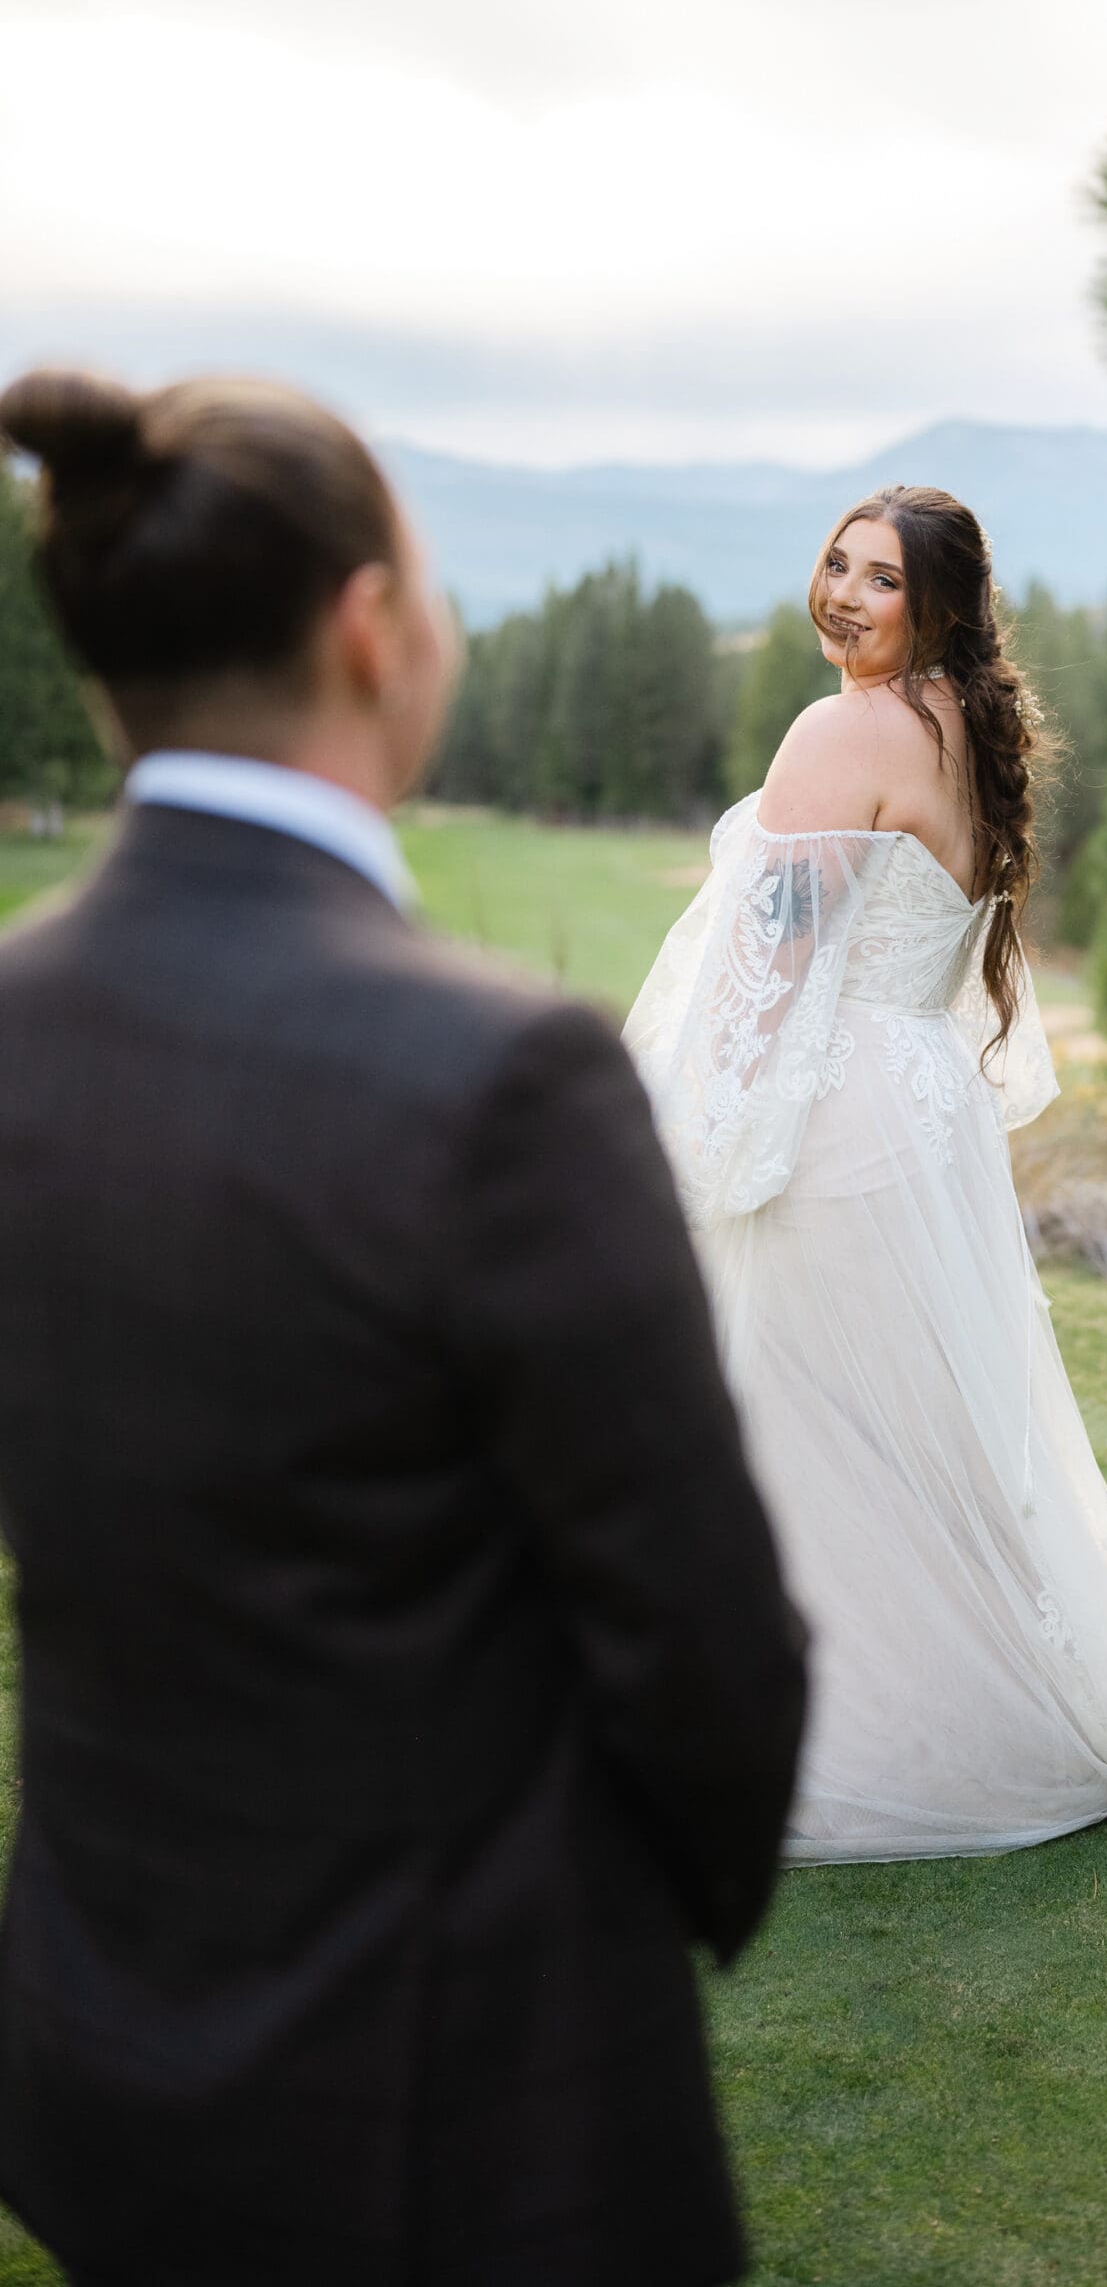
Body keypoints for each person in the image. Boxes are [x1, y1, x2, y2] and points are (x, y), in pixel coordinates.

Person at [0, 367, 807, 2287]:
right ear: (375, 632)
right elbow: (707, 1652)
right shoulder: (500, 1077)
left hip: (102, 2057)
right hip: (450, 2112)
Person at [624, 485, 1107, 1864]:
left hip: (832, 1113)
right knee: (913, 1438)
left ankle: (846, 1737)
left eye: (882, 579)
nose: (844, 593)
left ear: (940, 607)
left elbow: (763, 979)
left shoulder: (842, 731)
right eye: (836, 563)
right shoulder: (973, 727)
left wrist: (689, 1145)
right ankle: (976, 1710)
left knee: (808, 1430)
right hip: (919, 1116)